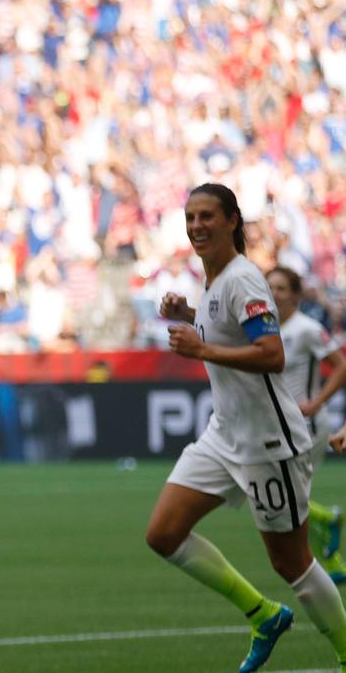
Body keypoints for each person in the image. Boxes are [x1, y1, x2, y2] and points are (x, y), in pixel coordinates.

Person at [144, 183, 346, 673]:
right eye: (190, 218)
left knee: (291, 562)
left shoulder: (243, 278)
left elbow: (271, 355)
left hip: (268, 443)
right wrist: (188, 316)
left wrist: (202, 349)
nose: (197, 226)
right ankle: (263, 615)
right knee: (164, 534)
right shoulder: (214, 279)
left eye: (207, 216)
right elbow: (228, 329)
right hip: (224, 434)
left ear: (232, 221)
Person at [267, 266, 346, 583]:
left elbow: (341, 366)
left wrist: (317, 402)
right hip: (277, 427)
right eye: (270, 287)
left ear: (296, 295)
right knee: (287, 500)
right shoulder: (264, 330)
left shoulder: (307, 329)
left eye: (281, 288)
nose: (274, 294)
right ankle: (333, 556)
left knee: (280, 496)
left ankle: (328, 523)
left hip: (305, 426)